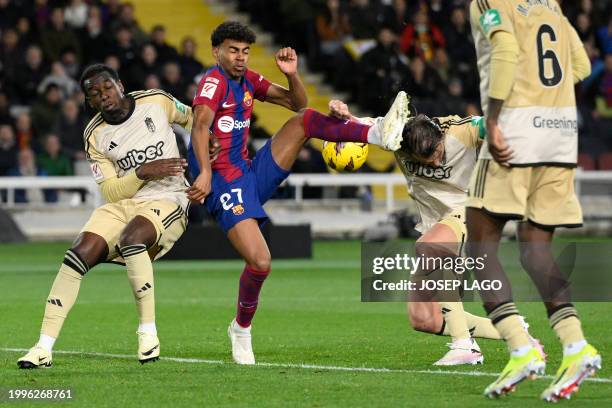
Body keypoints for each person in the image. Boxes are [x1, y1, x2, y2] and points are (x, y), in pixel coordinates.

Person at [187, 21, 408, 365]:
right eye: (233, 50)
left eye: (245, 51)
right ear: (216, 51)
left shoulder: (248, 81)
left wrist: (292, 74)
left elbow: (296, 103)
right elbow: (200, 126)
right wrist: (202, 171)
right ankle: (241, 328)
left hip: (250, 173)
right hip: (223, 183)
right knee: (260, 263)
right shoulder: (213, 83)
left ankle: (375, 132)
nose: (241, 58)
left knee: (304, 120)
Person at [327, 97, 543, 366]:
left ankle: (465, 346)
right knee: (424, 318)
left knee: (430, 246)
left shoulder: (462, 131)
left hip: (474, 211)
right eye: (427, 161)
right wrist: (344, 115)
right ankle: (516, 334)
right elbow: (359, 126)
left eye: (439, 154)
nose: (437, 164)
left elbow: (491, 127)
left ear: (441, 137)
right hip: (437, 225)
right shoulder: (393, 135)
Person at [17, 64, 204, 368]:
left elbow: (195, 118)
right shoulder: (94, 135)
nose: (103, 96)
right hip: (124, 203)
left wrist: (209, 149)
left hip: (168, 197)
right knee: (76, 255)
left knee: (133, 239)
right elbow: (112, 191)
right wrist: (143, 171)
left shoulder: (156, 101)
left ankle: (147, 333)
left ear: (120, 84)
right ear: (89, 102)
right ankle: (43, 347)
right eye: (94, 94)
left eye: (106, 87)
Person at [467, 0, 599, 401]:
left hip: (516, 129)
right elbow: (582, 66)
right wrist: (548, 97)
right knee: (535, 247)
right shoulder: (551, 5)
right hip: (560, 131)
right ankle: (576, 346)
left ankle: (520, 348)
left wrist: (492, 119)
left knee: (479, 246)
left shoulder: (489, 2)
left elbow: (505, 51)